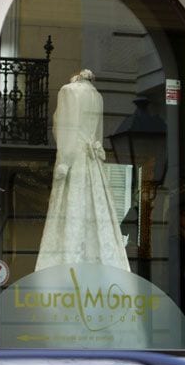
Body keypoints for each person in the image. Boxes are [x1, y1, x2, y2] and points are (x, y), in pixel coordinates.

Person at [36, 69, 130, 272]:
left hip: (76, 159)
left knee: (72, 211)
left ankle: (69, 269)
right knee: (94, 214)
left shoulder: (68, 91)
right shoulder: (97, 96)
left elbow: (66, 129)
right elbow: (97, 134)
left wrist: (64, 162)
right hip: (93, 161)